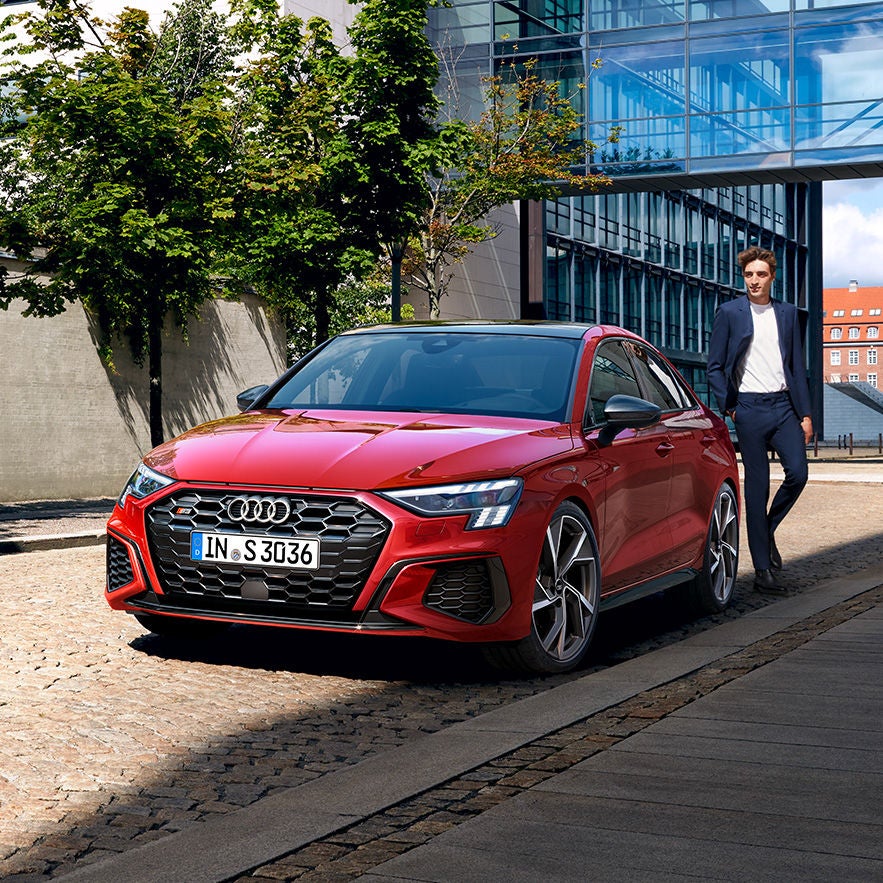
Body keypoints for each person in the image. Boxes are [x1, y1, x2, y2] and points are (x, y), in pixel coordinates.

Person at [707, 246, 814, 594]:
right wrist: (731, 407)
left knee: (798, 472)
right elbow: (715, 367)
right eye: (749, 275)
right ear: (744, 277)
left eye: (761, 274)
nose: (754, 281)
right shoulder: (729, 313)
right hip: (749, 408)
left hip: (784, 406)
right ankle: (762, 572)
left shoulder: (787, 314)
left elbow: (797, 367)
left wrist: (806, 414)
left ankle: (766, 530)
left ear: (772, 276)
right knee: (757, 488)